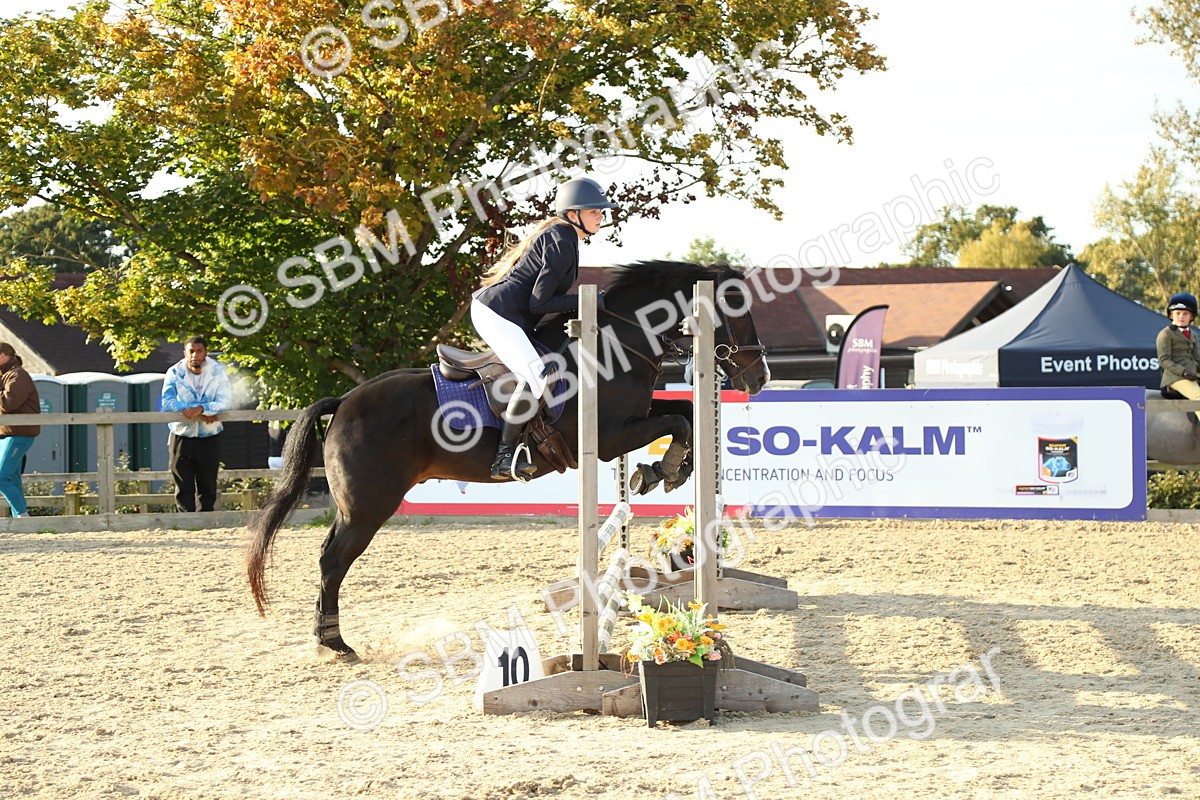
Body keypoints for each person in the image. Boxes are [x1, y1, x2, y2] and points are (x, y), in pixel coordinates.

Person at [470, 176, 618, 481]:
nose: (601, 216)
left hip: (510, 314)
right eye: (594, 212)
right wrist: (585, 301)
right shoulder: (562, 240)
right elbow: (540, 303)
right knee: (537, 376)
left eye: (601, 212)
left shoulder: (567, 239)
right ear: (573, 214)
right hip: (496, 313)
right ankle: (503, 457)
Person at [161, 336, 232, 512]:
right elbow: (167, 401)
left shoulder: (218, 370)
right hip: (181, 435)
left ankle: (205, 522)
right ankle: (186, 524)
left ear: (206, 352)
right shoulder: (175, 372)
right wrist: (190, 410)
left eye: (199, 351)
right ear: (185, 353)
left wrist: (203, 409)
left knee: (208, 484)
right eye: (191, 351)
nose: (195, 355)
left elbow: (225, 401)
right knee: (183, 484)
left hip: (209, 435)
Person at [0, 342, 40, 519]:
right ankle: (22, 518)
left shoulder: (18, 375)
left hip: (18, 434)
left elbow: (8, 403)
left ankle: (22, 516)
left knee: (1, 477)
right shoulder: (7, 375)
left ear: (3, 356)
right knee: (12, 478)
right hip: (8, 433)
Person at [1157, 292, 1200, 401]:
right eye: (1178, 313)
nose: (1181, 316)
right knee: (1198, 397)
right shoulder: (1165, 334)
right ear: (1171, 315)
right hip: (1175, 377)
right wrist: (1183, 371)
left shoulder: (1193, 335)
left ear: (1192, 316)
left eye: (1185, 313)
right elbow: (1164, 360)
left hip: (1193, 374)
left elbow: (1197, 358)